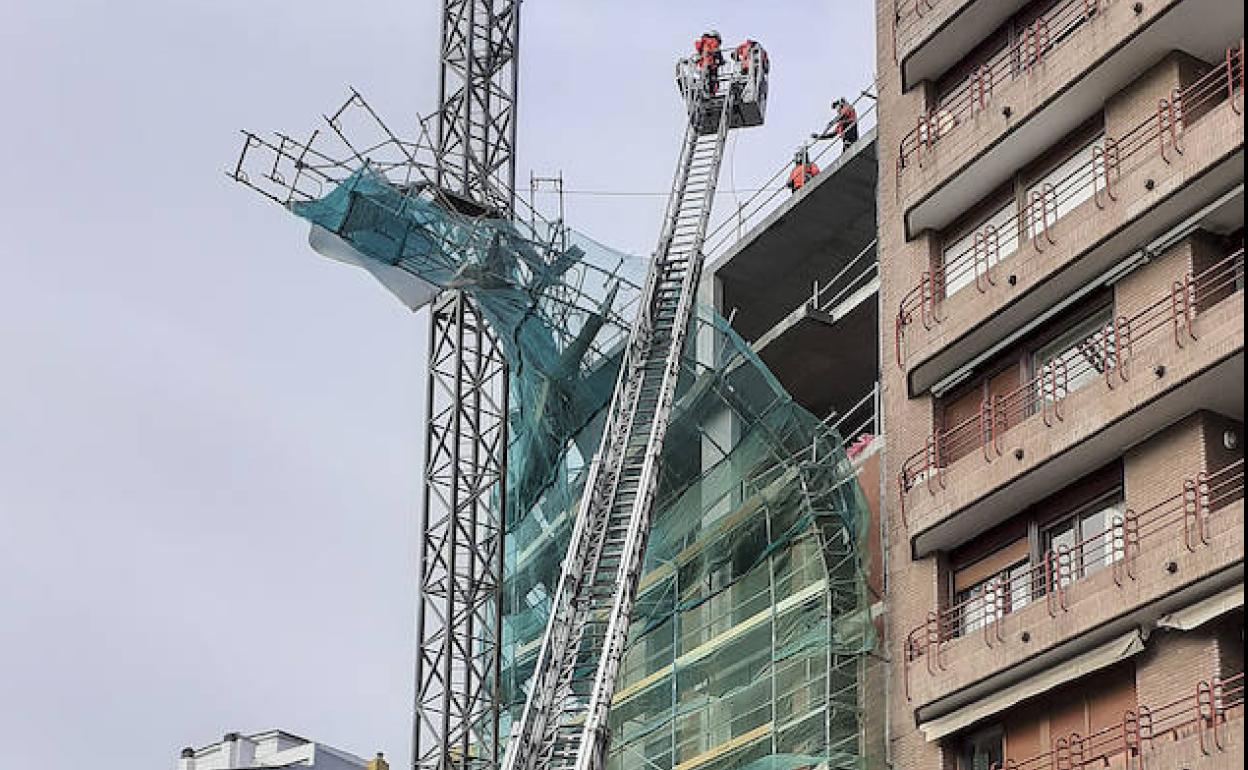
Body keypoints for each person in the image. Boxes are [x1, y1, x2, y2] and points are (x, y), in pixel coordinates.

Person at [694, 30, 724, 96]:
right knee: (713, 81)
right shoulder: (713, 41)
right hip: (711, 64)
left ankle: (705, 93)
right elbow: (717, 52)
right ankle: (711, 94)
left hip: (703, 65)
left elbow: (700, 55)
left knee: (705, 80)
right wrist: (721, 61)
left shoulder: (703, 44)